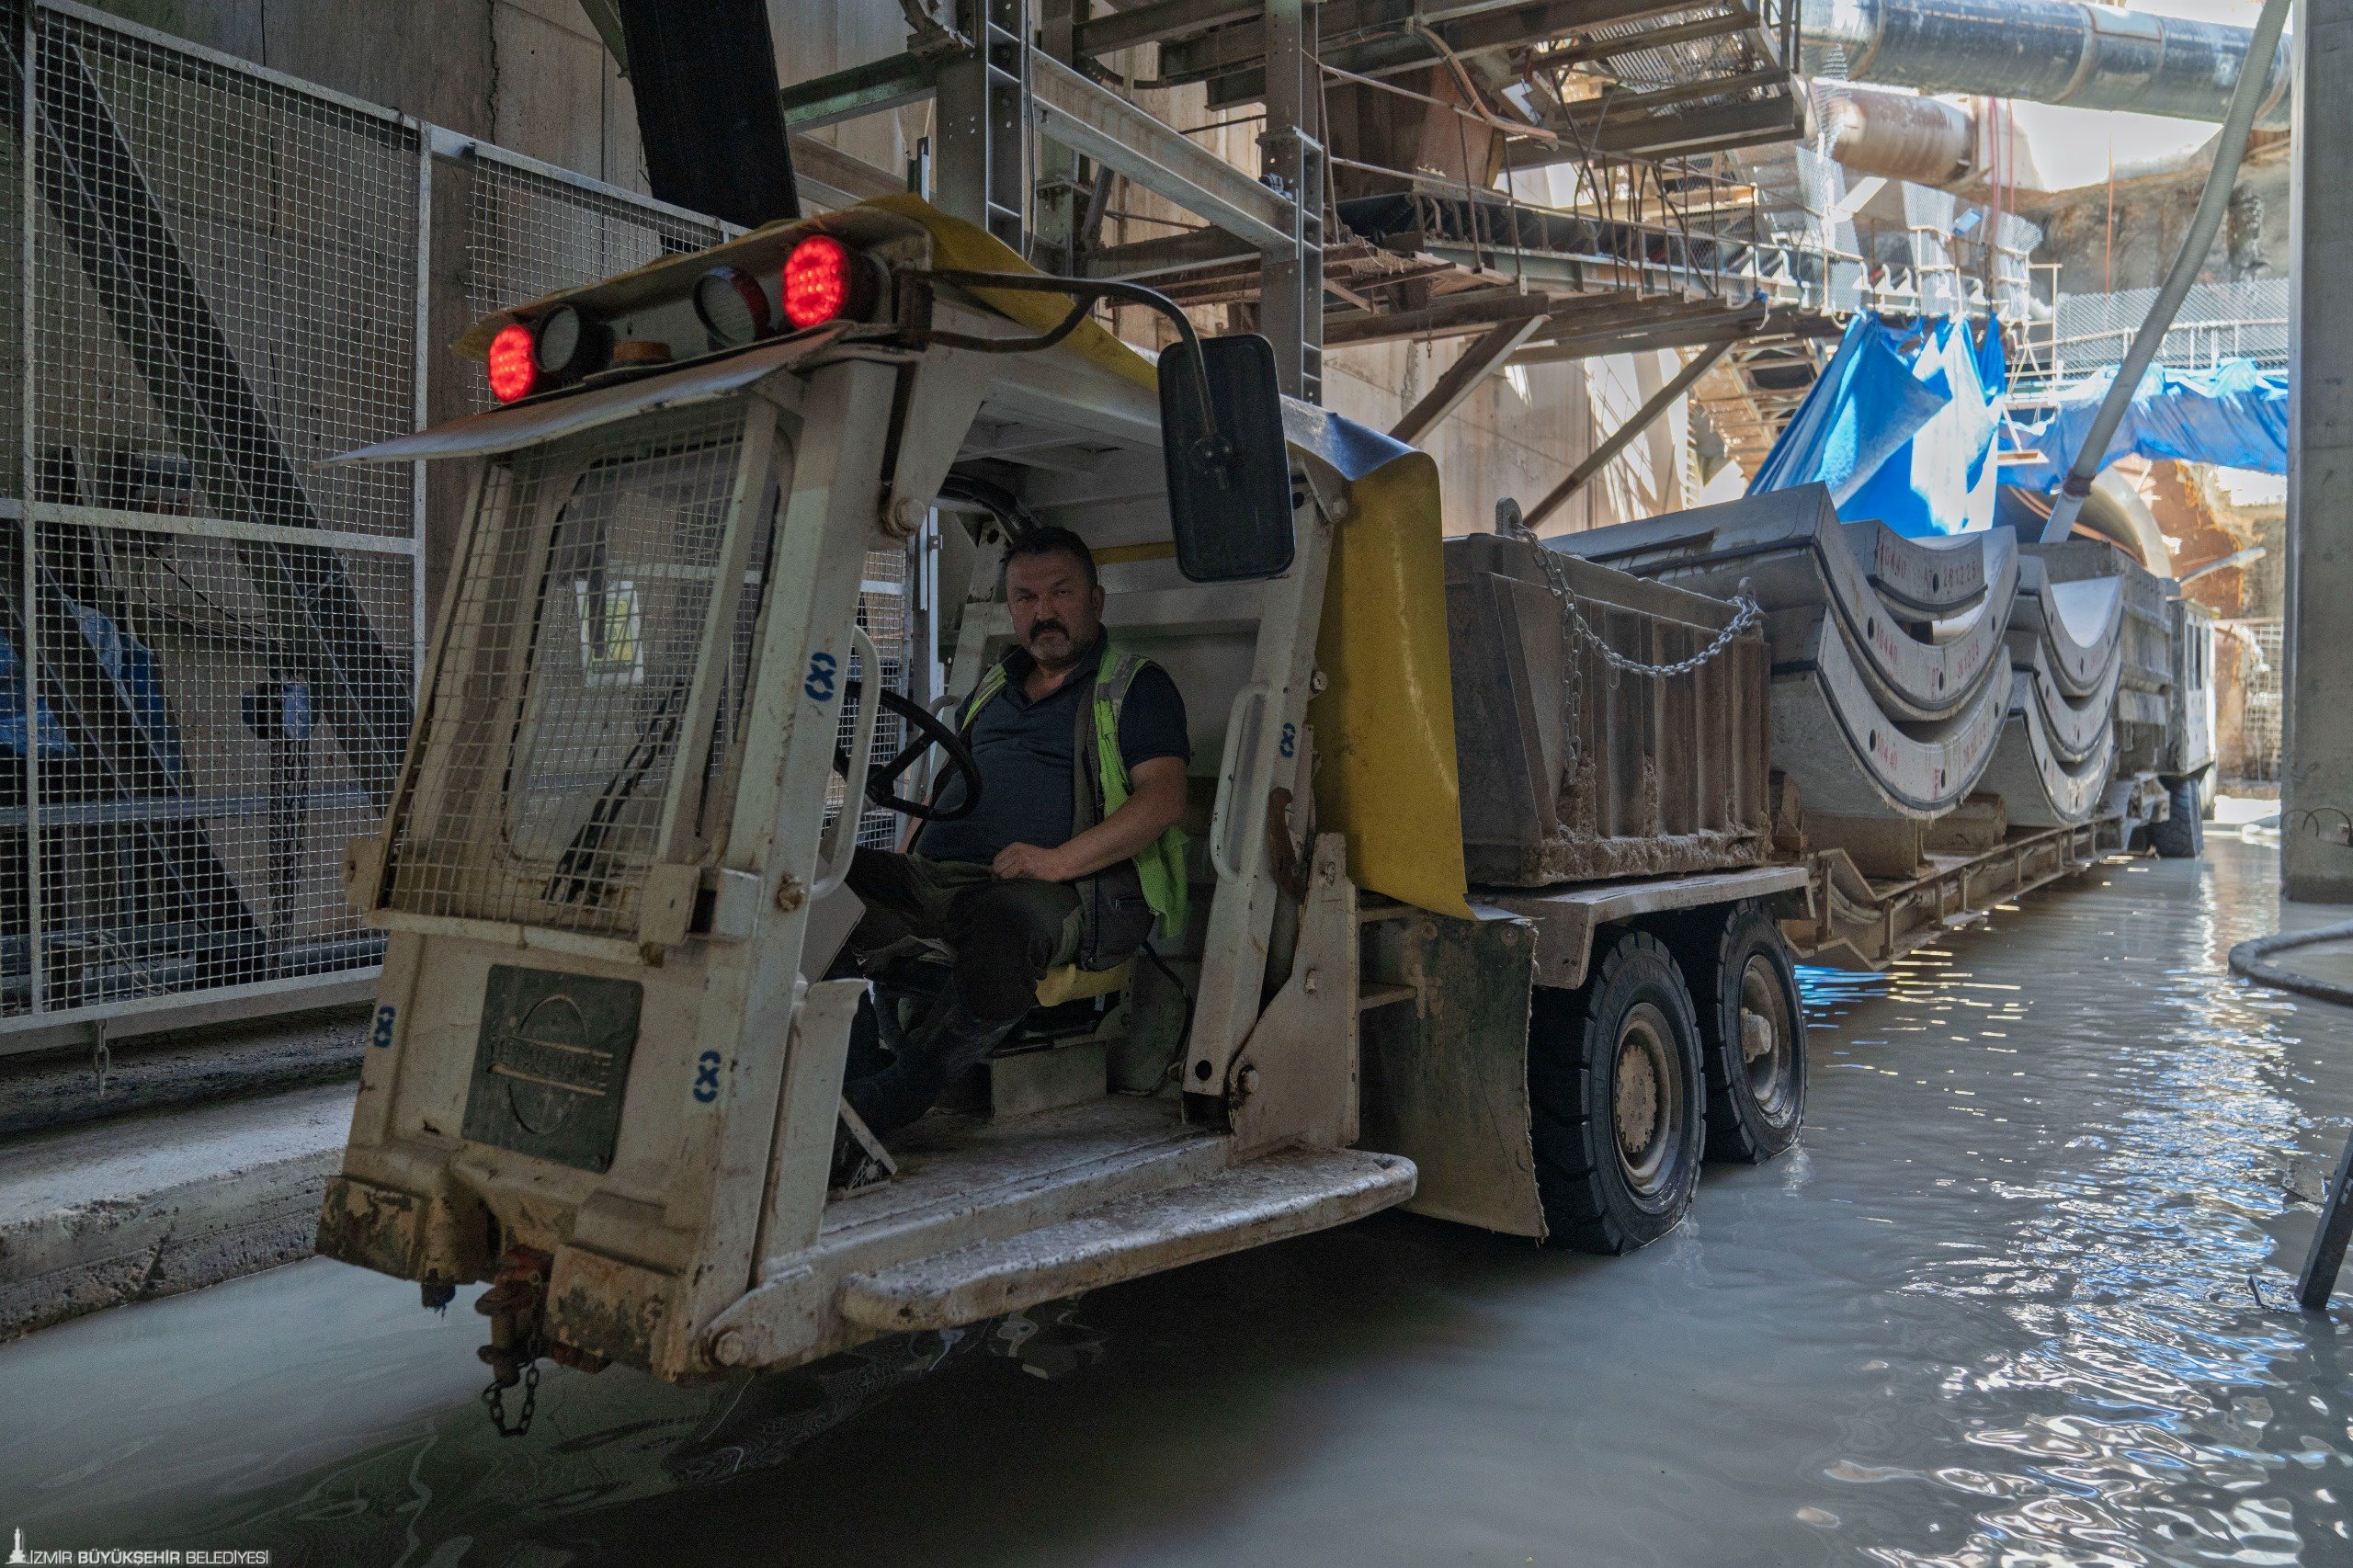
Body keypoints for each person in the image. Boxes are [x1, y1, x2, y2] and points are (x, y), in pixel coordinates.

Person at [837, 525, 1191, 1143]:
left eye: (1061, 593)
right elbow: (946, 781)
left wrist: (1056, 862)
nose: (1043, 612)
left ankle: (905, 1091)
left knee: (1006, 924)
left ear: (1097, 600)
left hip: (1067, 890)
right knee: (822, 882)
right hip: (946, 877)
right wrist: (904, 856)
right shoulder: (996, 686)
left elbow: (1162, 800)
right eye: (1026, 598)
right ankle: (851, 1071)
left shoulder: (1136, 686)